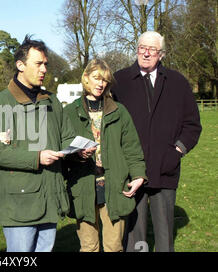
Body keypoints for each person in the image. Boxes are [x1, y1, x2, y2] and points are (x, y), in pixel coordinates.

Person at [0, 35, 75, 252]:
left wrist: (78, 149)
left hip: (51, 197)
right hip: (21, 205)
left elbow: (67, 135)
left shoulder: (51, 100)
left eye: (45, 64)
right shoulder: (2, 102)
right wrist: (36, 158)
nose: (44, 69)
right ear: (20, 65)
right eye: (38, 64)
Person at [112, 31, 202, 252]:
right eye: (142, 47)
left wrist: (177, 151)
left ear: (161, 54)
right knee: (136, 238)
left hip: (165, 169)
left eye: (152, 49)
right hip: (132, 172)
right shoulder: (119, 81)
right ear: (136, 49)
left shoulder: (177, 82)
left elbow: (192, 125)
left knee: (164, 236)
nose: (146, 53)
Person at [63, 59, 147, 252]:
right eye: (96, 78)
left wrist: (138, 176)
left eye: (105, 80)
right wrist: (76, 155)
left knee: (113, 247)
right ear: (85, 78)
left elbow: (132, 148)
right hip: (83, 187)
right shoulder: (69, 112)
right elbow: (61, 148)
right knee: (89, 247)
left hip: (114, 187)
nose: (100, 84)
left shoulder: (120, 112)